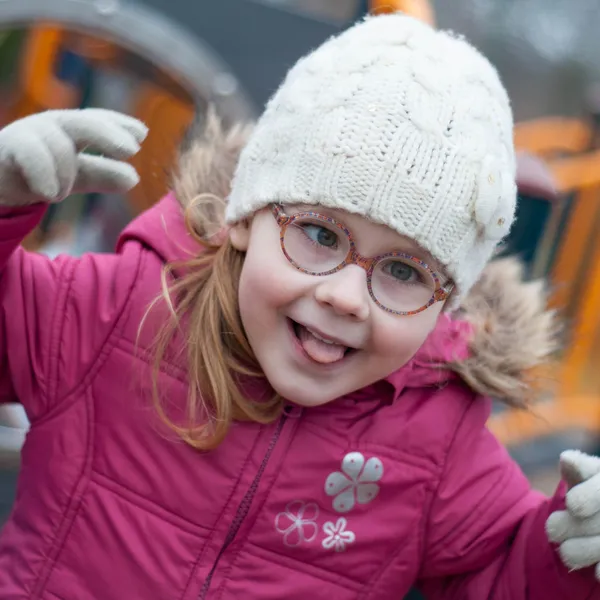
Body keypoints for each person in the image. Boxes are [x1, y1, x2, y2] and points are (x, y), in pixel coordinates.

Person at [0, 14, 599, 600]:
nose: (343, 296)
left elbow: (501, 572)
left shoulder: (435, 435)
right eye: (318, 234)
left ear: (444, 307)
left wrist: (570, 555)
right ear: (244, 218)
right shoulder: (121, 311)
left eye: (402, 271)